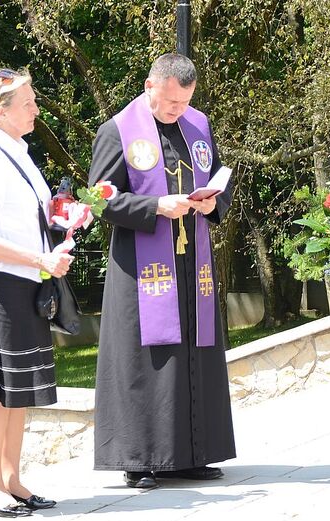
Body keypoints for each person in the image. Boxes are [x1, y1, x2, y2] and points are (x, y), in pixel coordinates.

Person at [89, 53, 236, 490]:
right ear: (150, 85)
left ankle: (192, 453)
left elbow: (218, 181)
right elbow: (100, 201)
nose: (177, 110)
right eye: (170, 102)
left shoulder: (198, 126)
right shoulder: (117, 131)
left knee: (193, 351)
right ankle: (141, 458)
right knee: (149, 359)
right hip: (142, 267)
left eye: (184, 102)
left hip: (193, 266)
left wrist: (213, 204)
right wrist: (155, 206)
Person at [0, 69, 73, 516]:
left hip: (24, 280)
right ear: (0, 111)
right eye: (27, 103)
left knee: (19, 388)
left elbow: (34, 216)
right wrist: (41, 260)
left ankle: (13, 480)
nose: (35, 109)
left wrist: (66, 216)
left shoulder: (20, 153)